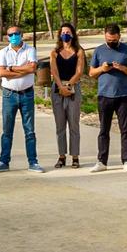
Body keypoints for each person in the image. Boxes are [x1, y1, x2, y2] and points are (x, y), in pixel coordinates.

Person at [88, 22, 127, 172]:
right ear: (104, 36)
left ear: (119, 37)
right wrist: (102, 69)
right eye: (109, 40)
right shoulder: (99, 51)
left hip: (123, 95)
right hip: (104, 95)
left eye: (114, 40)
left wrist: (122, 68)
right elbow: (91, 73)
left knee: (125, 130)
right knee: (104, 129)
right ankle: (102, 161)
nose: (111, 42)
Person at [0, 25, 44, 173]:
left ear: (21, 34)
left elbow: (32, 69)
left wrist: (12, 69)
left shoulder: (30, 50)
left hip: (27, 94)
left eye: (16, 34)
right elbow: (2, 72)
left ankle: (33, 162)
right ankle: (3, 161)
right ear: (7, 37)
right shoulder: (3, 52)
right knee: (7, 130)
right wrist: (22, 69)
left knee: (29, 130)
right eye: (10, 34)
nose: (13, 36)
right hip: (9, 95)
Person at [44, 24, 88, 168]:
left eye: (68, 32)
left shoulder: (79, 51)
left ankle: (75, 157)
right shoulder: (55, 52)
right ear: (59, 35)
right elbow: (54, 71)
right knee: (60, 125)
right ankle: (61, 156)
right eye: (63, 32)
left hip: (73, 87)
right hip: (57, 89)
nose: (66, 34)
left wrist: (68, 85)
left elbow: (79, 71)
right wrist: (60, 86)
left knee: (74, 124)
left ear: (73, 34)